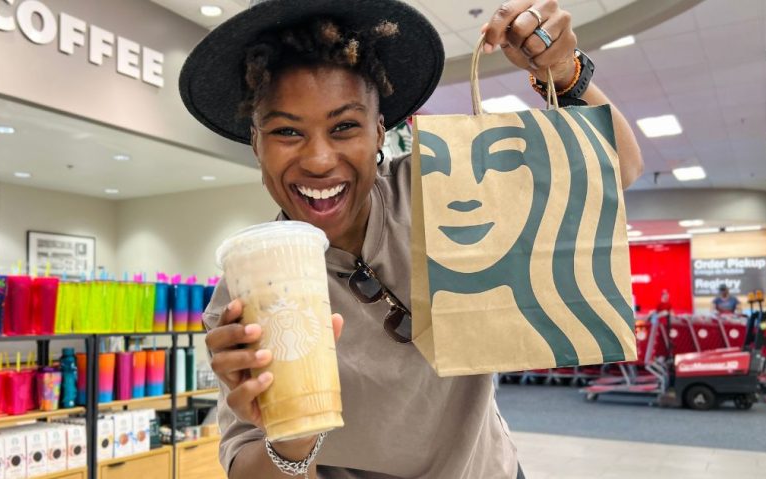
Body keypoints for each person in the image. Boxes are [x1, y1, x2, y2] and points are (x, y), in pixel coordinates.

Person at [178, 0, 644, 477]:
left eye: (344, 127)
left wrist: (565, 71)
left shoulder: (437, 191)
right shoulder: (248, 288)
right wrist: (292, 437)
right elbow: (244, 467)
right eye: (286, 132)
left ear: (379, 132)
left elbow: (617, 172)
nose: (319, 159)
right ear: (256, 144)